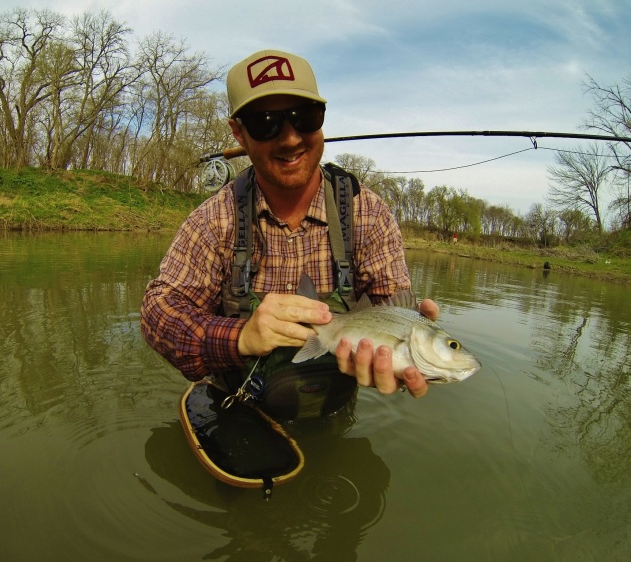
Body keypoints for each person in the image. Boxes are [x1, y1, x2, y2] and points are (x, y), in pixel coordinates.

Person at [140, 49, 439, 416]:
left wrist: (413, 344)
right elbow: (158, 313)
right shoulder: (216, 219)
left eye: (304, 117)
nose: (291, 139)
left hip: (334, 410)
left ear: (321, 119)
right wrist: (241, 337)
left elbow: (390, 306)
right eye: (266, 123)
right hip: (239, 412)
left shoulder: (369, 214)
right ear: (239, 132)